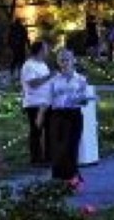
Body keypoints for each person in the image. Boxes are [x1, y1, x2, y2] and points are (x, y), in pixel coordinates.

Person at [40, 49, 87, 182]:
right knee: (58, 148)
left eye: (67, 59)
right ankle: (58, 178)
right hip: (58, 116)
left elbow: (84, 100)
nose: (64, 62)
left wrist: (84, 99)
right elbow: (46, 99)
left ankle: (72, 178)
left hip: (74, 115)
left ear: (73, 60)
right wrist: (40, 115)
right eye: (61, 60)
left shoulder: (81, 79)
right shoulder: (54, 80)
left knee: (72, 146)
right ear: (58, 62)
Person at [21, 40, 55, 166]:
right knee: (36, 131)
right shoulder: (28, 65)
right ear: (40, 50)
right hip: (34, 103)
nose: (48, 51)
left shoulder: (43, 65)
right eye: (46, 48)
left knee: (49, 130)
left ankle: (49, 157)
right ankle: (36, 159)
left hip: (47, 102)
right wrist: (49, 76)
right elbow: (32, 83)